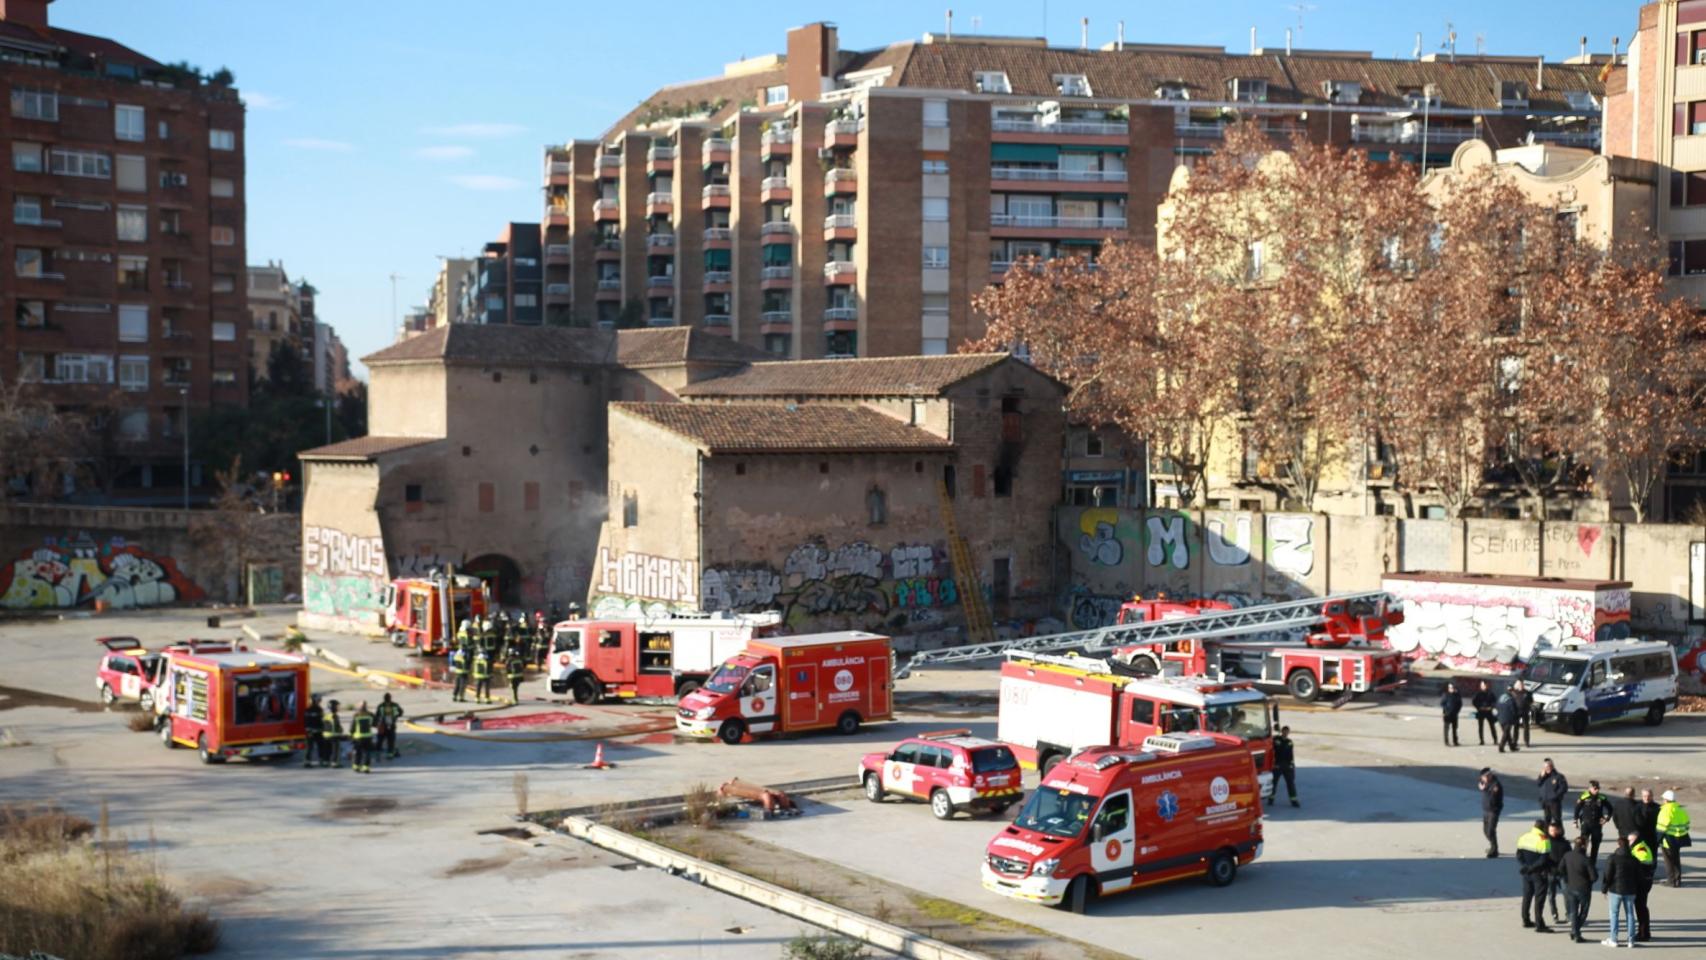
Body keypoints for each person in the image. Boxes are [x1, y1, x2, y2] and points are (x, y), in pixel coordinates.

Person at [1515, 818, 1554, 932]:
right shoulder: (1544, 840)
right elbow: (1543, 860)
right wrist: (1532, 868)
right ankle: (1539, 924)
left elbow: (1519, 855)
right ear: (1543, 828)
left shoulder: (1524, 836)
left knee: (1527, 896)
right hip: (1539, 873)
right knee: (1539, 899)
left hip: (1526, 873)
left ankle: (1525, 920)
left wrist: (1525, 867)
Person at [1602, 835, 1641, 948]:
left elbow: (1608, 875)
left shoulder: (1612, 858)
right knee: (1630, 915)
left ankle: (1614, 939)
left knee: (1614, 914)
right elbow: (1639, 876)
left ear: (1618, 845)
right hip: (1630, 891)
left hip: (1615, 890)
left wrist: (1604, 889)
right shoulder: (1634, 859)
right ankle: (1631, 940)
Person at [1561, 835, 1597, 943]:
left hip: (1570, 887)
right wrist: (1589, 881)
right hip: (1584, 889)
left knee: (1574, 911)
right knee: (1583, 912)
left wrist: (1567, 879)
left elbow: (1560, 869)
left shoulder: (1567, 855)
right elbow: (1594, 877)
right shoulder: (1586, 859)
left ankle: (1575, 932)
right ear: (1583, 845)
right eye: (1587, 843)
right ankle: (1575, 931)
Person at [1656, 789, 1690, 887]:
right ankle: (1678, 880)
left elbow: (1661, 828)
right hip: (1678, 839)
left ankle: (1671, 881)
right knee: (1676, 859)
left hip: (1668, 840)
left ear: (1666, 800)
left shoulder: (1665, 810)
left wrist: (1657, 840)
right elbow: (1687, 825)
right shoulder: (1680, 809)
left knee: (1668, 861)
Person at [1574, 780, 1613, 865]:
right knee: (1583, 844)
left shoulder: (1602, 798)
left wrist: (1607, 819)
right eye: (1595, 788)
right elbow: (1577, 809)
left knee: (1595, 845)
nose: (1597, 790)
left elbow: (1610, 809)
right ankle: (1582, 862)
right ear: (1590, 788)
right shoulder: (1584, 797)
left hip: (1597, 825)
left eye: (1598, 788)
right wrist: (1575, 821)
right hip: (1586, 824)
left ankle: (1592, 864)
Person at [1631, 833, 1656, 942]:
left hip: (1642, 883)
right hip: (1643, 882)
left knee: (1641, 908)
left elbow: (1643, 867)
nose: (1629, 842)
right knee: (1641, 908)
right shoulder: (1639, 847)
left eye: (1630, 840)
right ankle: (1644, 931)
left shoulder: (1641, 849)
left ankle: (1644, 933)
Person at [1543, 821, 1568, 925]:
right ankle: (1555, 915)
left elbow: (1568, 857)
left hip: (1562, 873)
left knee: (1567, 894)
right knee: (1551, 895)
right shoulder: (1546, 842)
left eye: (1554, 830)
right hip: (1550, 873)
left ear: (1559, 830)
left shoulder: (1565, 843)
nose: (1552, 832)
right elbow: (1543, 857)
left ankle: (1569, 914)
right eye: (1550, 830)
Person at [1479, 767, 1504, 858]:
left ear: (1489, 776)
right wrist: (1483, 786)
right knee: (1485, 831)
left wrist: (1484, 789)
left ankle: (1494, 851)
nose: (1482, 779)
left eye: (1484, 777)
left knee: (1490, 831)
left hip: (1493, 810)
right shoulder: (1484, 782)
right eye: (1482, 777)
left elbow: (1493, 796)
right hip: (1486, 810)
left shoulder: (1495, 785)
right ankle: (1494, 846)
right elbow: (1481, 783)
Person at [1536, 758, 1568, 826]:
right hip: (1545, 802)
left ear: (1552, 766)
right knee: (1547, 819)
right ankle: (1547, 834)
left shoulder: (1558, 776)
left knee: (1557, 819)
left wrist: (1555, 796)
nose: (1546, 769)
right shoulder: (1543, 776)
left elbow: (1564, 788)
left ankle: (1559, 834)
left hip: (1554, 802)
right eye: (1545, 767)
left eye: (1548, 766)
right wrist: (1541, 777)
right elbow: (1538, 784)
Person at [1272, 725, 1298, 808]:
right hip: (1277, 765)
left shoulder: (1289, 742)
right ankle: (1271, 799)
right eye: (1284, 731)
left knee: (1290, 783)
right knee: (1273, 783)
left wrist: (1292, 765)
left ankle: (1293, 800)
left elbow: (1291, 755)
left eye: (1287, 731)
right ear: (1282, 731)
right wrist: (1274, 764)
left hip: (1287, 766)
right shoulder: (1276, 740)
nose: (1286, 733)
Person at [375, 692, 404, 760]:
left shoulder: (381, 706)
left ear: (384, 698)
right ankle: (390, 755)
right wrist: (396, 717)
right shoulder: (395, 705)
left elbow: (377, 715)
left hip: (383, 726)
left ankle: (377, 755)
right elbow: (401, 712)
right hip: (391, 725)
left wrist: (377, 724)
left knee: (380, 741)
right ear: (390, 698)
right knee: (391, 741)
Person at [349, 701, 375, 774]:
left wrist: (351, 735)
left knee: (358, 752)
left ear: (359, 707)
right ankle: (366, 767)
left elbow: (352, 727)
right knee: (367, 752)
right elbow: (375, 723)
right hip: (368, 737)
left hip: (358, 737)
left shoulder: (356, 715)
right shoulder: (370, 714)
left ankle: (356, 766)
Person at [1471, 680, 1498, 746]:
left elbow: (1494, 701)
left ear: (1487, 685)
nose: (1483, 687)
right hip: (1481, 711)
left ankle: (1495, 740)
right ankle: (1481, 740)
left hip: (1489, 711)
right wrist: (1479, 707)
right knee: (1480, 727)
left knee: (1492, 726)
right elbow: (1474, 702)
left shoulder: (1490, 693)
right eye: (1482, 685)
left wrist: (1491, 707)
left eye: (1485, 685)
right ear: (1480, 686)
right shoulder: (1478, 693)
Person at [1495, 685, 1520, 753]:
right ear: (1512, 691)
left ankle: (1512, 747)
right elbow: (1513, 710)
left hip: (1500, 718)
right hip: (1508, 718)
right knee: (1506, 734)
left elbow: (1496, 706)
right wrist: (1516, 718)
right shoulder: (1511, 699)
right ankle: (1501, 747)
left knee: (1507, 733)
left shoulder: (1501, 697)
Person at [303, 693, 324, 768]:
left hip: (309, 731)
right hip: (317, 731)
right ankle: (321, 760)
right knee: (320, 746)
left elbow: (305, 721)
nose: (320, 701)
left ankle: (307, 762)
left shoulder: (307, 709)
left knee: (309, 747)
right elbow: (321, 721)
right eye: (319, 700)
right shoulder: (319, 709)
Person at [1439, 682, 1462, 747]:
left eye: (1452, 688)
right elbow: (1442, 703)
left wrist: (1457, 711)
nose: (1451, 689)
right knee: (1446, 728)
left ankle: (1455, 741)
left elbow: (1460, 704)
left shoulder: (1457, 695)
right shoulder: (1445, 695)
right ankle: (1446, 742)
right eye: (1450, 688)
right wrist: (1446, 709)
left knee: (1455, 728)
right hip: (1447, 714)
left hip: (1454, 714)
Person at [1513, 678, 1534, 748]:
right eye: (1519, 684)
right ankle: (1514, 741)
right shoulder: (1514, 693)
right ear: (1516, 685)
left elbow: (1531, 701)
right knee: (1516, 727)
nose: (1520, 685)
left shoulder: (1527, 693)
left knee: (1526, 728)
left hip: (1525, 712)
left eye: (1522, 684)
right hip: (1516, 712)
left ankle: (1527, 741)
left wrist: (1528, 706)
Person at [322, 700, 343, 768]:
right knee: (335, 750)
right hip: (333, 735)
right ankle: (334, 763)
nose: (338, 708)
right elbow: (337, 726)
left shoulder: (326, 715)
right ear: (333, 707)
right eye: (337, 706)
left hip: (325, 735)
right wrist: (341, 731)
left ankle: (325, 762)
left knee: (327, 749)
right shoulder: (334, 715)